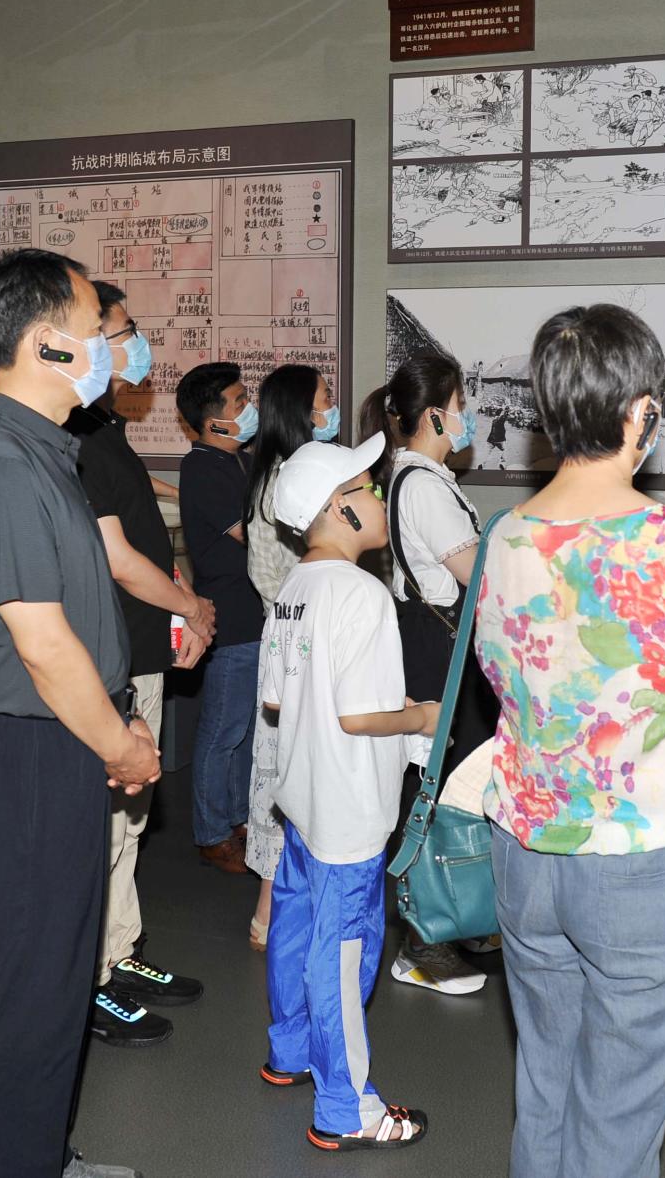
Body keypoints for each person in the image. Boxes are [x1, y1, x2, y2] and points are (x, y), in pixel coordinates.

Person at [472, 303, 665, 1178]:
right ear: (642, 412)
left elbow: (505, 673)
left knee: (545, 1081)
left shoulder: (502, 539)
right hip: (648, 861)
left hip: (527, 852)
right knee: (620, 1111)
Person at [0, 248, 156, 1178]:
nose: (111, 347)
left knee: (55, 985)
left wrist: (117, 722)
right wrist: (122, 748)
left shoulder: (39, 452)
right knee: (29, 999)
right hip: (28, 750)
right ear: (45, 345)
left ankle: (37, 1157)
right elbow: (43, 644)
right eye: (97, 330)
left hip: (56, 741)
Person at [258, 435, 438, 1152]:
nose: (379, 497)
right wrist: (421, 718)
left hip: (303, 799)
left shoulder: (293, 589)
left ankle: (289, 1050)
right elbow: (361, 717)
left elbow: (278, 701)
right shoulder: (363, 594)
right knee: (342, 955)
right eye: (368, 487)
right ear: (341, 508)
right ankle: (344, 1107)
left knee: (295, 928)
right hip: (348, 811)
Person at [69, 280, 212, 1048]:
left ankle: (119, 950)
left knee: (131, 821)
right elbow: (116, 559)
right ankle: (89, 979)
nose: (136, 345)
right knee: (104, 825)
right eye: (123, 331)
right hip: (112, 652)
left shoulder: (106, 427)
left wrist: (179, 594)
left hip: (141, 645)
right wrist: (192, 606)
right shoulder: (76, 436)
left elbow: (141, 538)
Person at [358, 352, 491, 997]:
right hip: (439, 648)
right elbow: (479, 577)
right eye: (461, 405)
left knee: (450, 784)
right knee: (438, 792)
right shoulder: (424, 484)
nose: (467, 417)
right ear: (435, 414)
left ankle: (451, 915)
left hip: (436, 641)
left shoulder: (421, 476)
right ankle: (422, 941)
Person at [241, 363, 331, 949]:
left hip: (296, 637)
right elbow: (270, 574)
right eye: (323, 400)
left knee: (295, 769)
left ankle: (281, 907)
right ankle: (268, 912)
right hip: (296, 642)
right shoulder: (285, 480)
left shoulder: (289, 471)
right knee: (283, 772)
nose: (329, 409)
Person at [176, 360, 264, 874]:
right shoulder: (203, 468)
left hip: (256, 616)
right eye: (239, 402)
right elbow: (253, 535)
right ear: (214, 422)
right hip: (230, 618)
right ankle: (212, 834)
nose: (249, 408)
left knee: (246, 731)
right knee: (222, 732)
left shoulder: (240, 461)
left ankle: (238, 819)